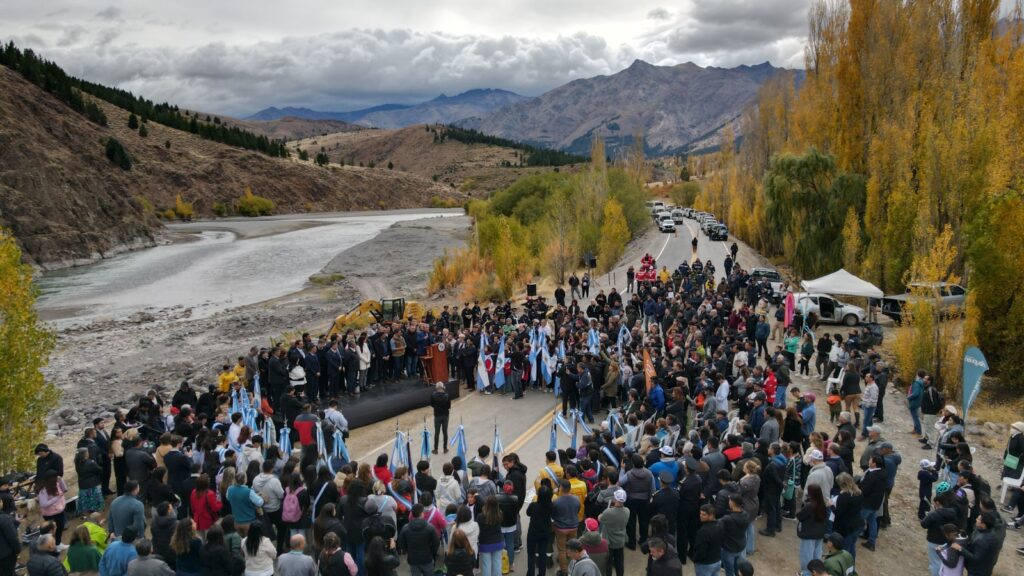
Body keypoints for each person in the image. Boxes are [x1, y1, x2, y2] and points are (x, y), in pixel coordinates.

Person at [397, 503, 439, 576]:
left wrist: (407, 550)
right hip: (427, 558)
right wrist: (432, 553)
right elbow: (436, 543)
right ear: (422, 513)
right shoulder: (430, 528)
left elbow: (401, 543)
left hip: (413, 559)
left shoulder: (405, 528)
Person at [955, 511, 1001, 576]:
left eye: (978, 519)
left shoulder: (982, 540)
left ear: (983, 524)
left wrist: (960, 548)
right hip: (986, 567)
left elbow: (975, 558)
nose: (976, 519)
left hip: (977, 571)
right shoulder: (992, 533)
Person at [831, 473, 864, 561]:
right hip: (857, 524)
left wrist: (831, 505)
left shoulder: (844, 497)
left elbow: (838, 513)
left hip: (846, 527)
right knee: (851, 548)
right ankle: (851, 566)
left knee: (844, 551)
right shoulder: (858, 493)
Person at [797, 484, 827, 576]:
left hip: (809, 534)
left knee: (806, 556)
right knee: (817, 556)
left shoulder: (810, 505)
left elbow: (800, 516)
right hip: (819, 533)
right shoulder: (822, 503)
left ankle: (806, 573)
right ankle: (817, 573)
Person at [552, 480, 581, 574]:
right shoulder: (576, 499)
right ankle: (573, 567)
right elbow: (577, 510)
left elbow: (553, 515)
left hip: (560, 528)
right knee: (573, 547)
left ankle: (564, 571)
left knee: (561, 550)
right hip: (573, 527)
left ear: (561, 488)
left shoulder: (556, 501)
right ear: (570, 488)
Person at [598, 489, 629, 576]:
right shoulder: (627, 511)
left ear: (615, 499)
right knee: (620, 563)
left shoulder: (608, 512)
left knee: (608, 563)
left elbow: (600, 518)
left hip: (609, 542)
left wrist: (605, 512)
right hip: (620, 541)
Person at [526, 481, 553, 576]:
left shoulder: (534, 505)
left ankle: (530, 573)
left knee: (531, 554)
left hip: (533, 532)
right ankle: (542, 573)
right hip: (545, 532)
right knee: (542, 554)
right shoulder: (551, 506)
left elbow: (528, 513)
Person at [718, 495, 749, 576]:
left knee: (729, 571)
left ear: (732, 503)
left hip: (729, 548)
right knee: (736, 568)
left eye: (729, 500)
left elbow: (718, 529)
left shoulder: (727, 519)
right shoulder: (746, 514)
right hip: (740, 545)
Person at [691, 504, 722, 576]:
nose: (700, 516)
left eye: (704, 514)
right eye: (700, 513)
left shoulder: (703, 532)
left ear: (711, 516)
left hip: (705, 565)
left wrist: (695, 559)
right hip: (717, 561)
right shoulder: (720, 525)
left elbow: (700, 551)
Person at [37, 472, 68, 545]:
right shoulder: (43, 490)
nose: (57, 478)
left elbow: (65, 489)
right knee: (50, 530)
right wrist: (57, 498)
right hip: (49, 514)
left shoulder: (56, 484)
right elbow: (43, 504)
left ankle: (58, 544)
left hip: (59, 511)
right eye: (55, 477)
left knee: (60, 528)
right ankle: (50, 545)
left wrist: (61, 480)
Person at [476, 496, 504, 576]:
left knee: (486, 565)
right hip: (498, 542)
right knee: (497, 564)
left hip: (485, 543)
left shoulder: (480, 516)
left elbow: (478, 530)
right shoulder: (500, 514)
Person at [430, 383, 451, 454]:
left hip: (437, 416)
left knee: (437, 433)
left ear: (436, 388)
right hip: (445, 415)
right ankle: (445, 448)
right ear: (443, 387)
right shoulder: (447, 395)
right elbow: (448, 406)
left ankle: (436, 449)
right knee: (445, 432)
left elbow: (432, 405)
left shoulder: (433, 395)